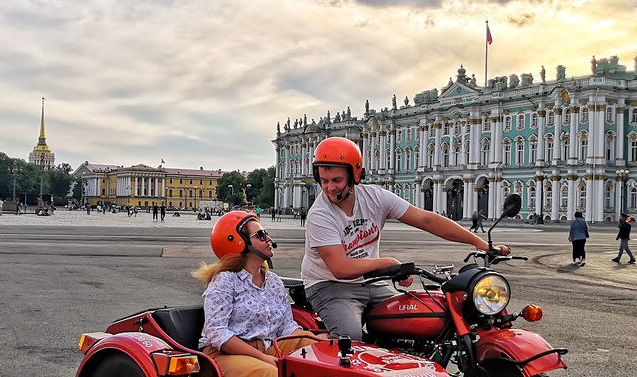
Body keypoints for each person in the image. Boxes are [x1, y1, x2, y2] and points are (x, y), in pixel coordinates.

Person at [301, 137, 510, 340]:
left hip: (369, 282)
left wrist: (479, 243)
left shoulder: (375, 197)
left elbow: (426, 219)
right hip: (328, 285)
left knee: (419, 316)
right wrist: (390, 264)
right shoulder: (320, 214)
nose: (330, 188)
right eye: (324, 181)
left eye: (336, 180)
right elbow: (341, 268)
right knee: (350, 338)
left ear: (355, 175)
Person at [194, 211, 316, 377]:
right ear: (238, 243)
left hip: (269, 348)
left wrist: (317, 341)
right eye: (260, 235)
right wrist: (262, 357)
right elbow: (217, 332)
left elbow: (287, 327)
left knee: (316, 350)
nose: (268, 239)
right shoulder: (225, 281)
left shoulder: (273, 281)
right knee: (271, 373)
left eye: (265, 233)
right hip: (226, 354)